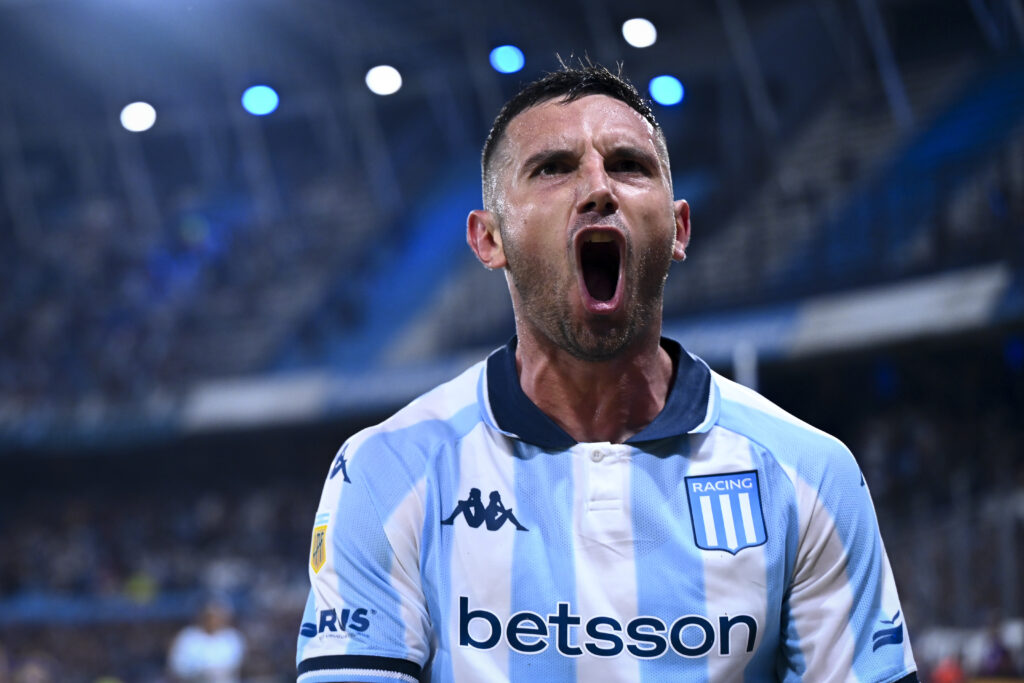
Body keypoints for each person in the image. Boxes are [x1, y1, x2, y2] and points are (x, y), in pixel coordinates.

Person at [296, 63, 918, 682]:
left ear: (678, 229)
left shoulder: (809, 474)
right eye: (553, 168)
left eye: (628, 165)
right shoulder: (385, 471)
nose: (599, 189)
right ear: (489, 240)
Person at [168, 599, 246, 683]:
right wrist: (200, 672)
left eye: (216, 616)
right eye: (209, 616)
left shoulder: (233, 637)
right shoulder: (187, 637)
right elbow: (177, 666)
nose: (212, 620)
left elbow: (236, 664)